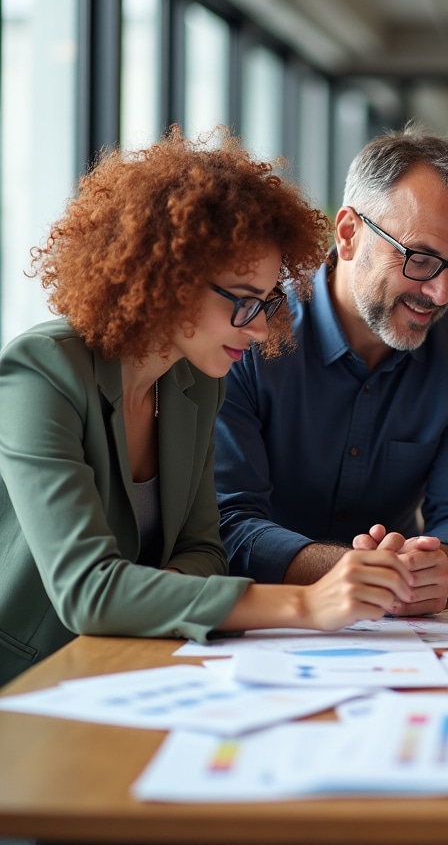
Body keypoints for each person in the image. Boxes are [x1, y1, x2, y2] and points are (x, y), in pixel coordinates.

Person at [0, 129, 422, 686]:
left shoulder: (194, 386)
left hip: (137, 667)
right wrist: (306, 606)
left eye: (270, 302)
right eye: (245, 302)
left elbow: (205, 551)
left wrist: (154, 596)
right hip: (33, 679)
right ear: (167, 277)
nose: (265, 328)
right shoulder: (43, 373)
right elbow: (88, 591)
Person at [215, 126, 448, 616]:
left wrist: (443, 565)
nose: (442, 293)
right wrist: (350, 570)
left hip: (402, 628)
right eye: (421, 260)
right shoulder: (247, 332)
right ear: (348, 233)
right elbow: (226, 521)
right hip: (265, 618)